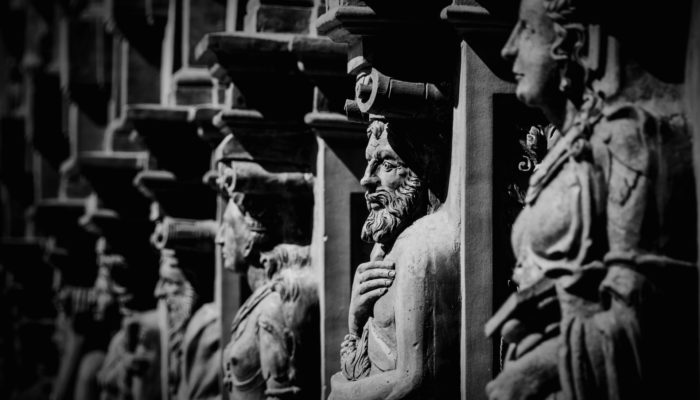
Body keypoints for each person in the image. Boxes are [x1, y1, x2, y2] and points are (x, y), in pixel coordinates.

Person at [486, 0, 698, 399]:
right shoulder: (572, 146)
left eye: (527, 30)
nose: (508, 48)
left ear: (574, 42)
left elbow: (648, 317)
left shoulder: (632, 141)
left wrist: (535, 371)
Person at [328, 120, 459, 400]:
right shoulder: (384, 248)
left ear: (420, 171)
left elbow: (412, 380)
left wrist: (338, 392)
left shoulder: (419, 249)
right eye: (369, 163)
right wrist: (355, 321)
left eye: (386, 165)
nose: (366, 178)